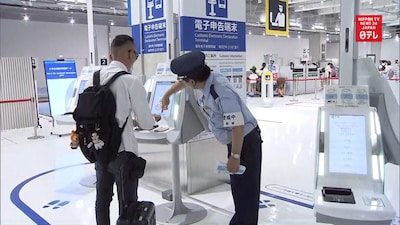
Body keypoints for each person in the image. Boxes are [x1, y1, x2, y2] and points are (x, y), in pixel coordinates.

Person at [161, 51, 263, 225]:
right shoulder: (205, 80)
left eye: (186, 81)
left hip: (245, 143)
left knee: (247, 194)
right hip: (236, 142)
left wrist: (235, 156)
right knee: (239, 191)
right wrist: (167, 95)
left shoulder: (220, 90)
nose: (184, 84)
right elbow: (182, 83)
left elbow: (237, 125)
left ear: (192, 81)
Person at [85, 34, 160, 225]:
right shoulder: (130, 81)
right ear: (129, 53)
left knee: (102, 200)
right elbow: (146, 122)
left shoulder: (92, 79)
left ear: (111, 56)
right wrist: (153, 120)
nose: (135, 58)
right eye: (135, 54)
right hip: (123, 153)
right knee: (128, 204)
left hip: (100, 150)